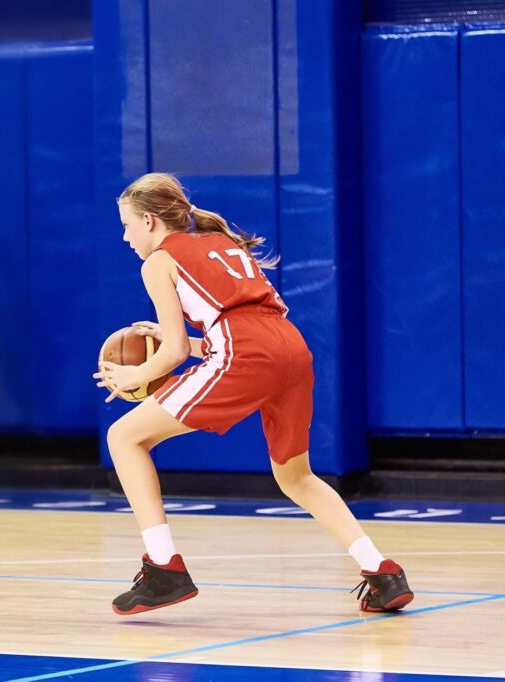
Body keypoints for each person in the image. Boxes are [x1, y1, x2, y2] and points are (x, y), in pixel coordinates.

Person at [95, 173, 412, 616]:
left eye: (127, 225)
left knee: (124, 437)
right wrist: (185, 344)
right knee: (296, 477)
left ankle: (164, 566)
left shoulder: (158, 261)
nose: (125, 236)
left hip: (246, 353)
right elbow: (238, 329)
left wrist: (134, 377)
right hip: (290, 349)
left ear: (149, 221)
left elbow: (175, 351)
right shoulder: (221, 242)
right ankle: (382, 573)